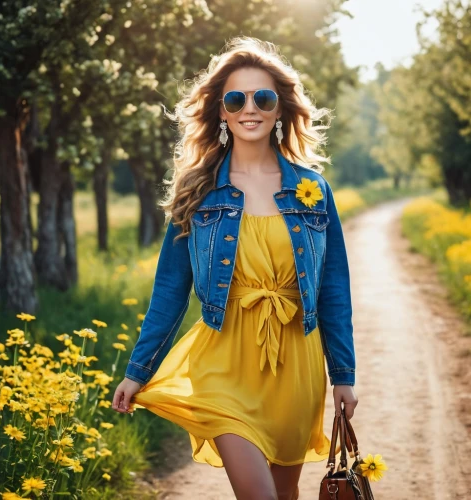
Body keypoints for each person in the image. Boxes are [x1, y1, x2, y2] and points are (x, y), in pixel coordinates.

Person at [112, 35, 358, 500]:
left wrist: (343, 375)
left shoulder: (312, 190)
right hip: (224, 360)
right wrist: (137, 370)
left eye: (263, 98)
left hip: (295, 361)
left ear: (280, 109)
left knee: (286, 495)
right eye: (236, 98)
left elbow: (333, 288)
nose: (251, 108)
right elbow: (169, 288)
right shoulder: (198, 192)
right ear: (221, 111)